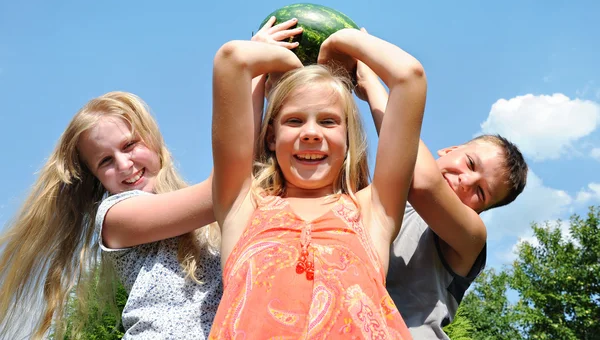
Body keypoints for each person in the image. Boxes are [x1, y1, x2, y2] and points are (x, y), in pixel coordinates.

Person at [209, 27, 427, 338]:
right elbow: (231, 59)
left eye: (328, 121)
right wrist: (284, 60)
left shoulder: (372, 211)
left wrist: (344, 40)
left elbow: (410, 76)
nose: (311, 133)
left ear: (348, 138)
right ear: (271, 137)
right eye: (294, 120)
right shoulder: (243, 206)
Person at [0, 92, 221, 339]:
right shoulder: (115, 216)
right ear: (96, 178)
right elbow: (220, 193)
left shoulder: (205, 225)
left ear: (152, 137)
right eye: (106, 161)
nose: (125, 165)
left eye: (129, 145)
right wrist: (243, 76)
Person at [355, 56, 528, 339]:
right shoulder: (368, 197)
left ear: (480, 212)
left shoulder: (470, 237)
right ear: (449, 150)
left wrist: (370, 84)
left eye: (481, 193)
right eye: (471, 164)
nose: (466, 181)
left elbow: (421, 183)